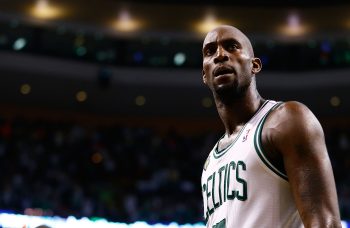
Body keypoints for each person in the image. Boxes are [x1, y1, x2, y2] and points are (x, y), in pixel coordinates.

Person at [200, 25, 341, 228]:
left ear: (255, 65)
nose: (220, 55)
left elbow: (326, 223)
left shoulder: (286, 120)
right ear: (204, 75)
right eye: (210, 51)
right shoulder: (209, 163)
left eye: (232, 47)